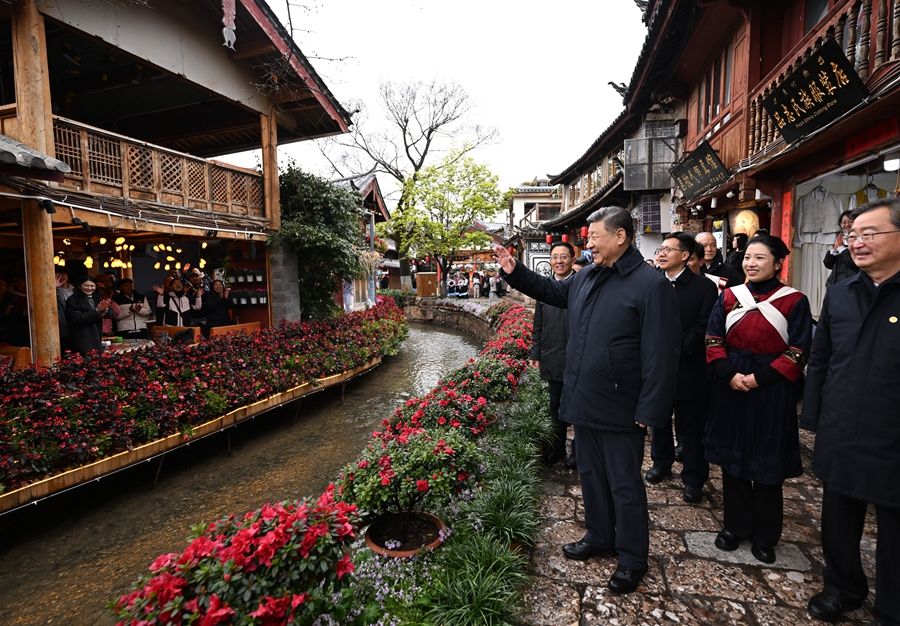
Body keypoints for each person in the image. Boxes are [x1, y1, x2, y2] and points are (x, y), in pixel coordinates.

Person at [494, 206, 679, 594]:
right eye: (587, 237)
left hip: (622, 405)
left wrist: (651, 408)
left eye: (594, 236)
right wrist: (515, 270)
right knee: (591, 476)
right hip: (584, 397)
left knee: (624, 486)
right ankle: (599, 536)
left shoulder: (650, 285)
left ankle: (632, 558)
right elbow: (551, 291)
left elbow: (662, 354)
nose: (588, 244)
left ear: (620, 236)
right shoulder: (587, 276)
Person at [801, 199, 900, 626]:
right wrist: (813, 415)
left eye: (869, 234)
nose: (857, 243)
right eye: (852, 235)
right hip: (842, 424)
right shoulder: (841, 292)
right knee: (838, 518)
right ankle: (842, 587)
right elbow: (821, 358)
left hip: (893, 432)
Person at [704, 233, 812, 564]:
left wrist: (759, 378)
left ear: (778, 263)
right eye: (748, 257)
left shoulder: (794, 301)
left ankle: (766, 535)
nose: (751, 263)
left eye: (760, 258)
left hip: (772, 388)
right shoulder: (728, 296)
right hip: (731, 382)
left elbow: (798, 350)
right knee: (733, 459)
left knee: (767, 462)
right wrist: (729, 373)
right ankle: (735, 526)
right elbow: (713, 337)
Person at [645, 233, 717, 504]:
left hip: (690, 367)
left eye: (668, 249)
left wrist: (675, 350)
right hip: (657, 366)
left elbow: (704, 326)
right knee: (659, 420)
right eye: (660, 249)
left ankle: (694, 477)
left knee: (691, 426)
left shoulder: (703, 287)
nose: (661, 253)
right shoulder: (652, 284)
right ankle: (661, 463)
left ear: (685, 255)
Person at [527, 241, 576, 467]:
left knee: (578, 406)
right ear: (550, 261)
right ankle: (557, 449)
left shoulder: (580, 286)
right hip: (553, 355)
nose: (559, 261)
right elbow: (538, 325)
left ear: (572, 259)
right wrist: (535, 353)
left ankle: (577, 452)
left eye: (563, 257)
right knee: (555, 405)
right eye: (555, 257)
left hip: (577, 356)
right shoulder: (544, 289)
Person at [65, 276, 110, 356]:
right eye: (86, 285)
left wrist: (104, 310)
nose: (89, 288)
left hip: (96, 336)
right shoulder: (73, 299)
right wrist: (97, 310)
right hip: (82, 338)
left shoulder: (96, 298)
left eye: (92, 286)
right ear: (80, 286)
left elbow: (109, 314)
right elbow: (77, 318)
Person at [823, 210, 859, 287]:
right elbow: (828, 264)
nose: (847, 225)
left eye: (850, 222)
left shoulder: (860, 240)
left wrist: (841, 249)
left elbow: (855, 264)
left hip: (851, 285)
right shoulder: (841, 238)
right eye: (844, 222)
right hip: (833, 285)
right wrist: (835, 250)